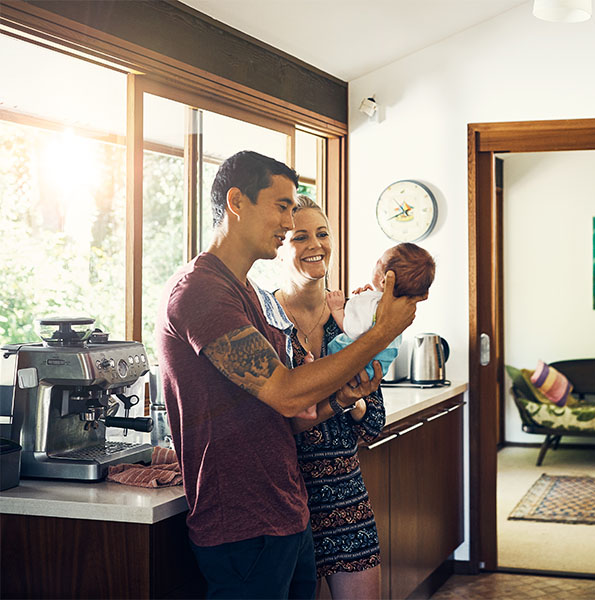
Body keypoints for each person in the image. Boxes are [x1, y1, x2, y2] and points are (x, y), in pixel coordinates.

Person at [156, 151, 423, 600]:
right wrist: (382, 332)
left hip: (285, 512)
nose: (287, 220)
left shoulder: (245, 295)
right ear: (237, 201)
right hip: (242, 520)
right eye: (281, 206)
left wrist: (340, 400)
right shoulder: (200, 290)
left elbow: (289, 412)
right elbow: (282, 392)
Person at [274, 196, 428, 600]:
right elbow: (271, 419)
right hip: (282, 499)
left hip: (344, 491)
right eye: (299, 235)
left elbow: (373, 422)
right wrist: (340, 397)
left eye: (323, 234)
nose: (316, 244)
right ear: (279, 243)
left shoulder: (363, 320)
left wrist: (354, 400)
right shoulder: (266, 322)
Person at [326, 242, 436, 379]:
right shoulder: (398, 310)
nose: (375, 263)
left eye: (379, 261)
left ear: (385, 281)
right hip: (379, 365)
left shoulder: (372, 304)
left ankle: (314, 365)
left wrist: (337, 309)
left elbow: (353, 330)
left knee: (329, 354)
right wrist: (367, 297)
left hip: (357, 367)